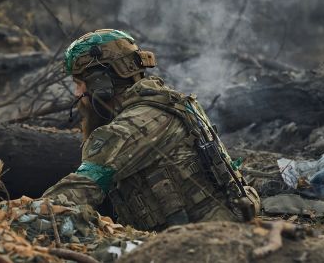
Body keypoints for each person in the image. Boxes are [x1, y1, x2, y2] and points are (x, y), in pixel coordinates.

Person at [42, 29, 260, 231]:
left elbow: (77, 191)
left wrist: (18, 215)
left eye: (78, 83)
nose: (76, 92)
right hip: (221, 229)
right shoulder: (171, 102)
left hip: (203, 242)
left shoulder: (132, 126)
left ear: (101, 83)